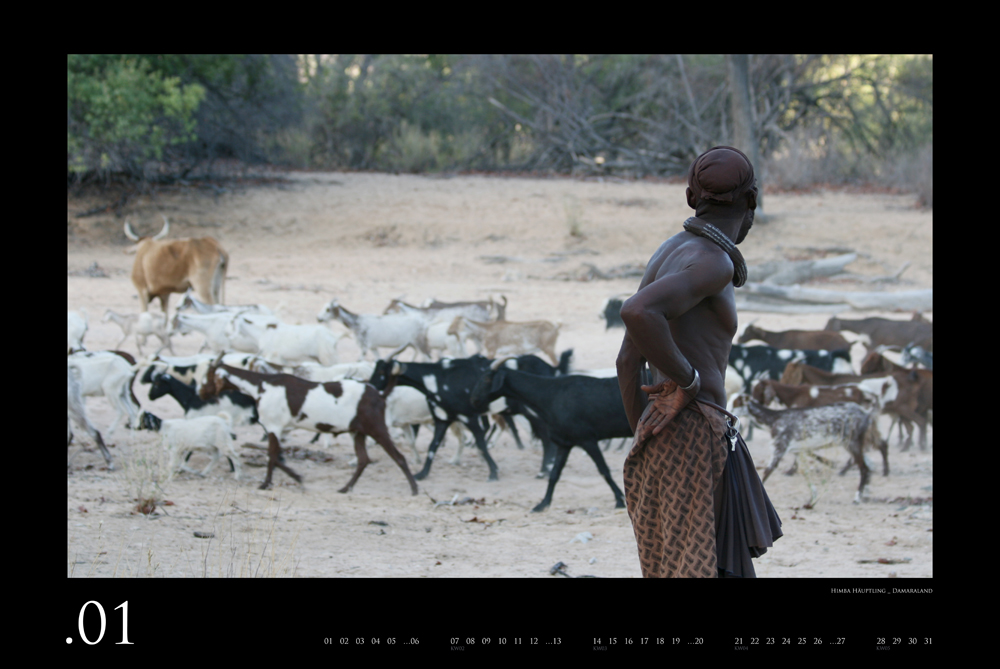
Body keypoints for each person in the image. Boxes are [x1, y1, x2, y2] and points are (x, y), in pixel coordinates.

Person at [616, 146, 782, 578]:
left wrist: (646, 438)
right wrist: (687, 384)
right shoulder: (714, 262)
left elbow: (625, 361)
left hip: (669, 432)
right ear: (752, 200)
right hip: (696, 434)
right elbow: (637, 312)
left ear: (691, 198)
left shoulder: (671, 249)